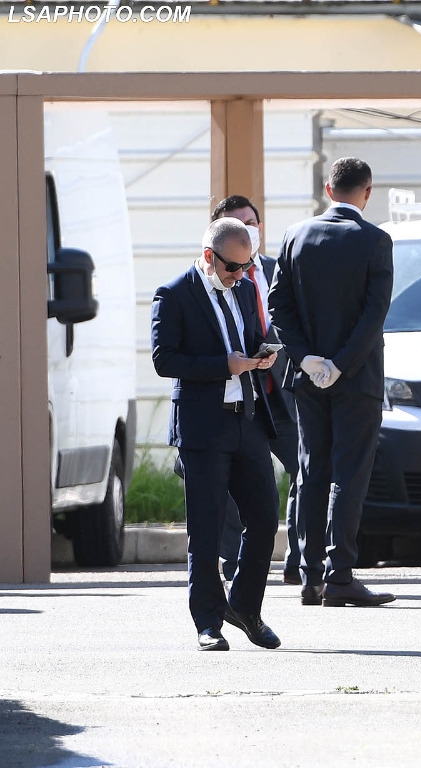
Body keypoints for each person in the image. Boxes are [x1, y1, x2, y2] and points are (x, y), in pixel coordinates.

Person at [269, 157, 396, 608]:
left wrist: (307, 359)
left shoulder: (295, 235)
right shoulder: (376, 240)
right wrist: (341, 364)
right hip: (357, 378)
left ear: (328, 189)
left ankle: (310, 576)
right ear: (368, 192)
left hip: (307, 378)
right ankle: (340, 574)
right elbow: (374, 315)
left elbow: (278, 306)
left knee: (311, 471)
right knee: (349, 473)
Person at [151, 217, 282, 651]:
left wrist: (261, 355)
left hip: (248, 419)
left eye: (247, 266)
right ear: (209, 256)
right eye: (232, 267)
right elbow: (165, 360)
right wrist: (224, 365)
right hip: (203, 426)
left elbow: (251, 336)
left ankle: (244, 606)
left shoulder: (243, 289)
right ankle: (208, 623)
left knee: (264, 519)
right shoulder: (174, 294)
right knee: (206, 529)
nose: (240, 275)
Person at [210, 195, 304, 587]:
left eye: (250, 224)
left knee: (305, 469)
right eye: (236, 225)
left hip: (279, 393)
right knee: (235, 484)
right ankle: (234, 565)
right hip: (237, 398)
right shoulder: (207, 279)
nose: (246, 231)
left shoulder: (278, 269)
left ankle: (300, 560)